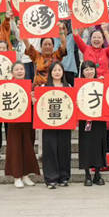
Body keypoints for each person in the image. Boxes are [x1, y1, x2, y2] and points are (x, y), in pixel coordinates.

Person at [4, 61, 40, 188]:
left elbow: (35, 102)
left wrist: (33, 100)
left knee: (28, 146)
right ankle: (17, 176)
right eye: (17, 69)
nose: (19, 71)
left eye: (22, 69)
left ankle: (25, 175)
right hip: (13, 121)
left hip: (28, 120)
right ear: (12, 72)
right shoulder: (7, 86)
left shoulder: (30, 85)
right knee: (15, 147)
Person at [36, 61, 72, 189]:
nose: (57, 72)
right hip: (48, 123)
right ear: (50, 73)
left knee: (64, 149)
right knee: (50, 150)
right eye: (54, 70)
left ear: (63, 72)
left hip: (65, 123)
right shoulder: (44, 86)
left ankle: (64, 177)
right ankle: (51, 178)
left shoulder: (69, 87)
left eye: (59, 70)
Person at [78, 60, 107, 186]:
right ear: (82, 72)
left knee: (99, 145)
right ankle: (87, 175)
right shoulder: (78, 85)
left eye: (91, 69)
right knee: (86, 146)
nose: (89, 71)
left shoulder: (101, 83)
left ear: (95, 70)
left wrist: (104, 83)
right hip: (84, 120)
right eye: (86, 69)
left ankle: (98, 174)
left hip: (99, 120)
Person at [21, 22, 67, 87]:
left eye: (49, 44)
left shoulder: (56, 55)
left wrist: (61, 30)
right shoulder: (37, 56)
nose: (47, 46)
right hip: (38, 87)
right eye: (45, 44)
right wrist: (22, 28)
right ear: (41, 46)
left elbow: (63, 43)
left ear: (53, 46)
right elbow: (27, 44)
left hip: (53, 87)